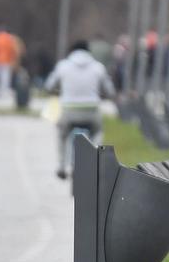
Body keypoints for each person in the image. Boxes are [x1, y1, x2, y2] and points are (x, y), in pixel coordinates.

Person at [44, 39, 116, 178]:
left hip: (69, 111)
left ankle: (61, 166)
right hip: (91, 111)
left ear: (71, 51)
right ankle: (94, 163)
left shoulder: (63, 66)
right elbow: (110, 91)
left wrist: (57, 91)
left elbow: (49, 86)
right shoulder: (98, 67)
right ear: (88, 51)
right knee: (97, 132)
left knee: (62, 134)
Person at [0, 26, 20, 98]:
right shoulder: (9, 38)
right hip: (6, 61)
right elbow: (13, 49)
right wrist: (12, 58)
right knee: (5, 78)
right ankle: (4, 91)